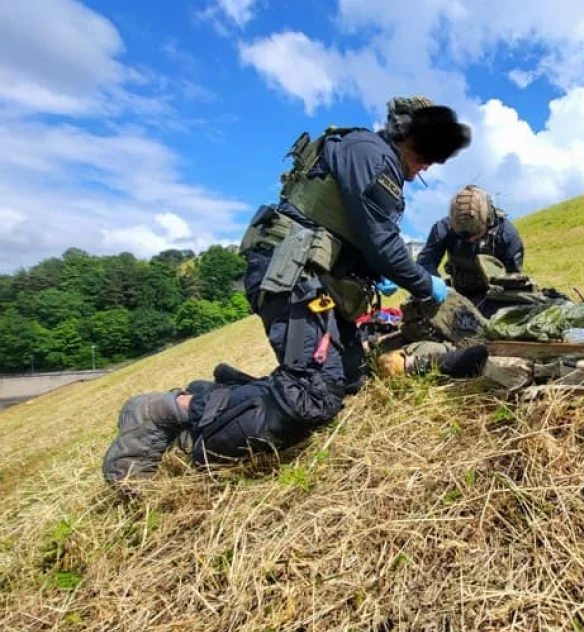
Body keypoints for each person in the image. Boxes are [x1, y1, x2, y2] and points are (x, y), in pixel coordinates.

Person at [102, 96, 471, 483]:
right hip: (292, 273)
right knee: (313, 396)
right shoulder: (371, 155)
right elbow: (383, 244)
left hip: (307, 274)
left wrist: (369, 270)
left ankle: (213, 402)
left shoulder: (368, 156)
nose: (430, 162)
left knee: (349, 379)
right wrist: (425, 284)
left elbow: (356, 237)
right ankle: (169, 411)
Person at [415, 185, 526, 316]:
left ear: (488, 220)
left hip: (491, 297)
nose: (470, 241)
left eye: (476, 236)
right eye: (463, 237)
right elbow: (425, 265)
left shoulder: (507, 236)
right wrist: (434, 284)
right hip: (457, 292)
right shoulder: (443, 229)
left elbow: (512, 283)